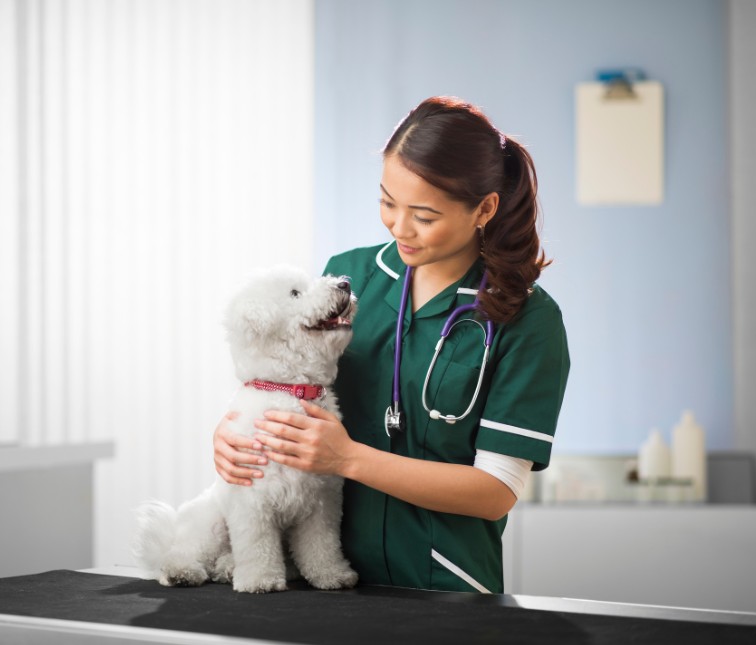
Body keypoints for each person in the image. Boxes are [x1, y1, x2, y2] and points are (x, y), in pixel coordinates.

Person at [213, 96, 570, 594]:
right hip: (320, 582)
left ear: (484, 208)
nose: (400, 227)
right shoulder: (349, 279)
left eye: (424, 215)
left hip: (443, 585)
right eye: (387, 202)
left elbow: (495, 492)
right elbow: (281, 377)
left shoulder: (527, 319)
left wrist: (348, 459)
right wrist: (235, 435)